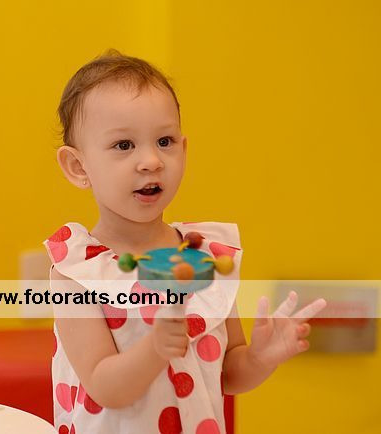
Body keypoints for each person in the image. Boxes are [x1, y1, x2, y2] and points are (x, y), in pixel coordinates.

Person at [43, 49, 326, 434]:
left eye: (165, 141)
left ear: (184, 149)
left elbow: (227, 374)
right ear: (79, 167)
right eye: (124, 145)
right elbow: (104, 386)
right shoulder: (77, 273)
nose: (151, 161)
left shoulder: (203, 255)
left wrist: (260, 358)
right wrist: (155, 348)